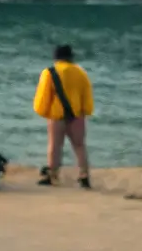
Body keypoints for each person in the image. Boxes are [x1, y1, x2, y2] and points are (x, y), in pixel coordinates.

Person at [33, 44, 95, 188]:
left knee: (55, 145)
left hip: (57, 115)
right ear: (71, 57)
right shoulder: (81, 73)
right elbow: (86, 94)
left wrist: (43, 111)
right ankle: (84, 175)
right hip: (77, 115)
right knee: (79, 146)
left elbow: (43, 96)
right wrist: (86, 110)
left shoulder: (49, 72)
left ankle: (53, 175)